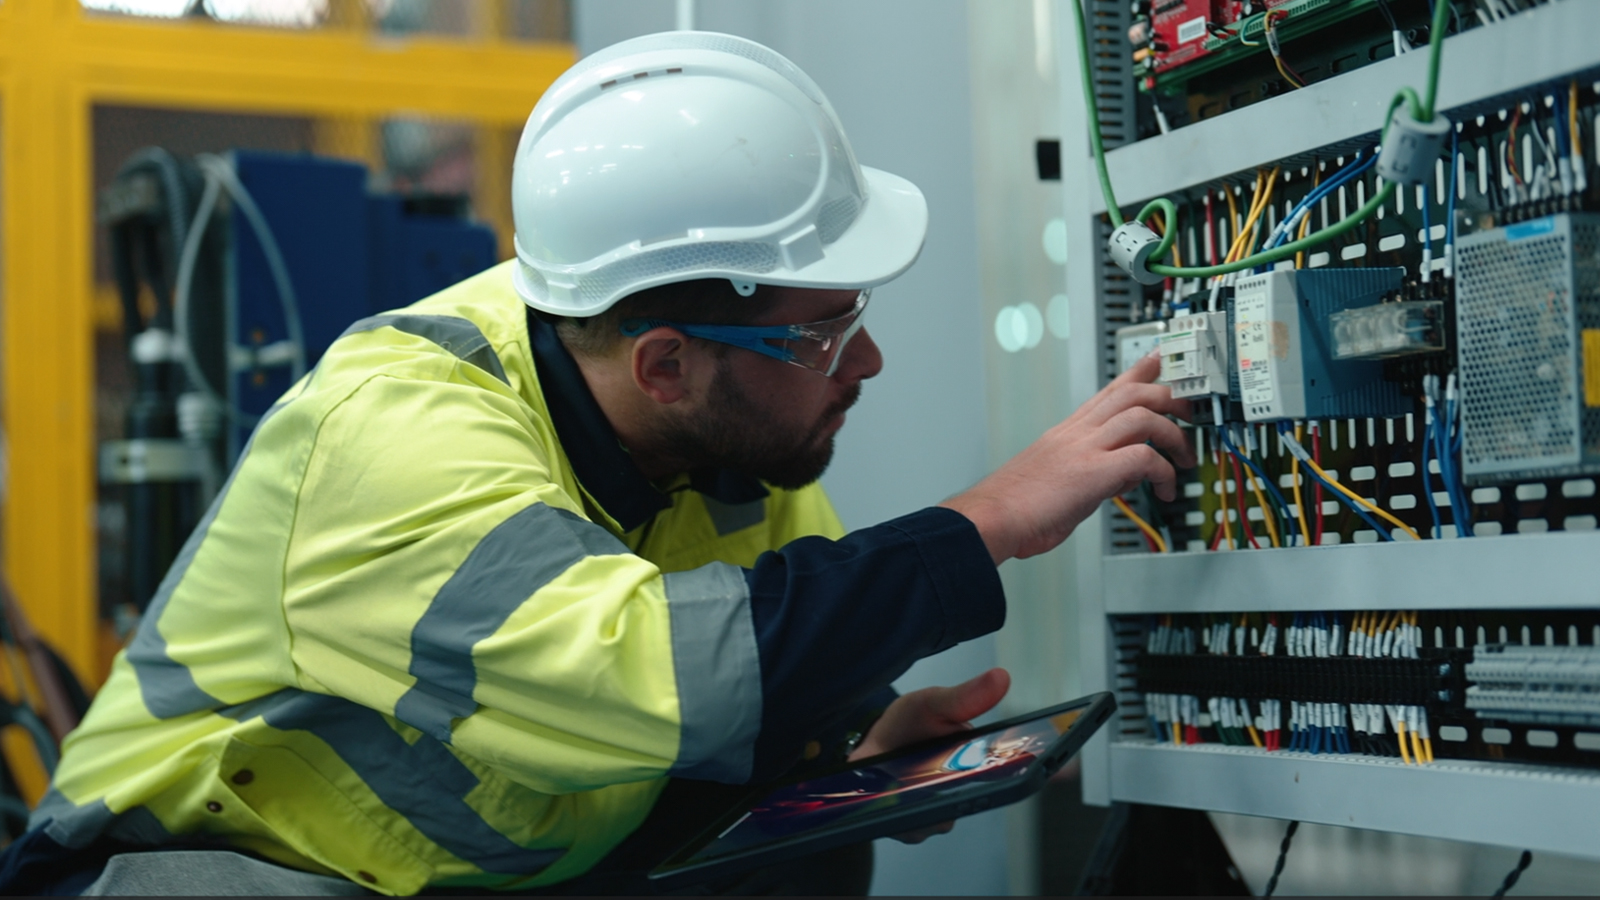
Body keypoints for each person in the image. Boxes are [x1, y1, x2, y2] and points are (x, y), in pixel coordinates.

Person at [0, 31, 1191, 896]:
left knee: (801, 859)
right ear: (666, 363)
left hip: (462, 876)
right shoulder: (394, 431)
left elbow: (748, 659)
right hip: (217, 868)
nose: (865, 360)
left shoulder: (731, 453)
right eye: (822, 332)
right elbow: (640, 679)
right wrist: (984, 520)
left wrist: (848, 742)